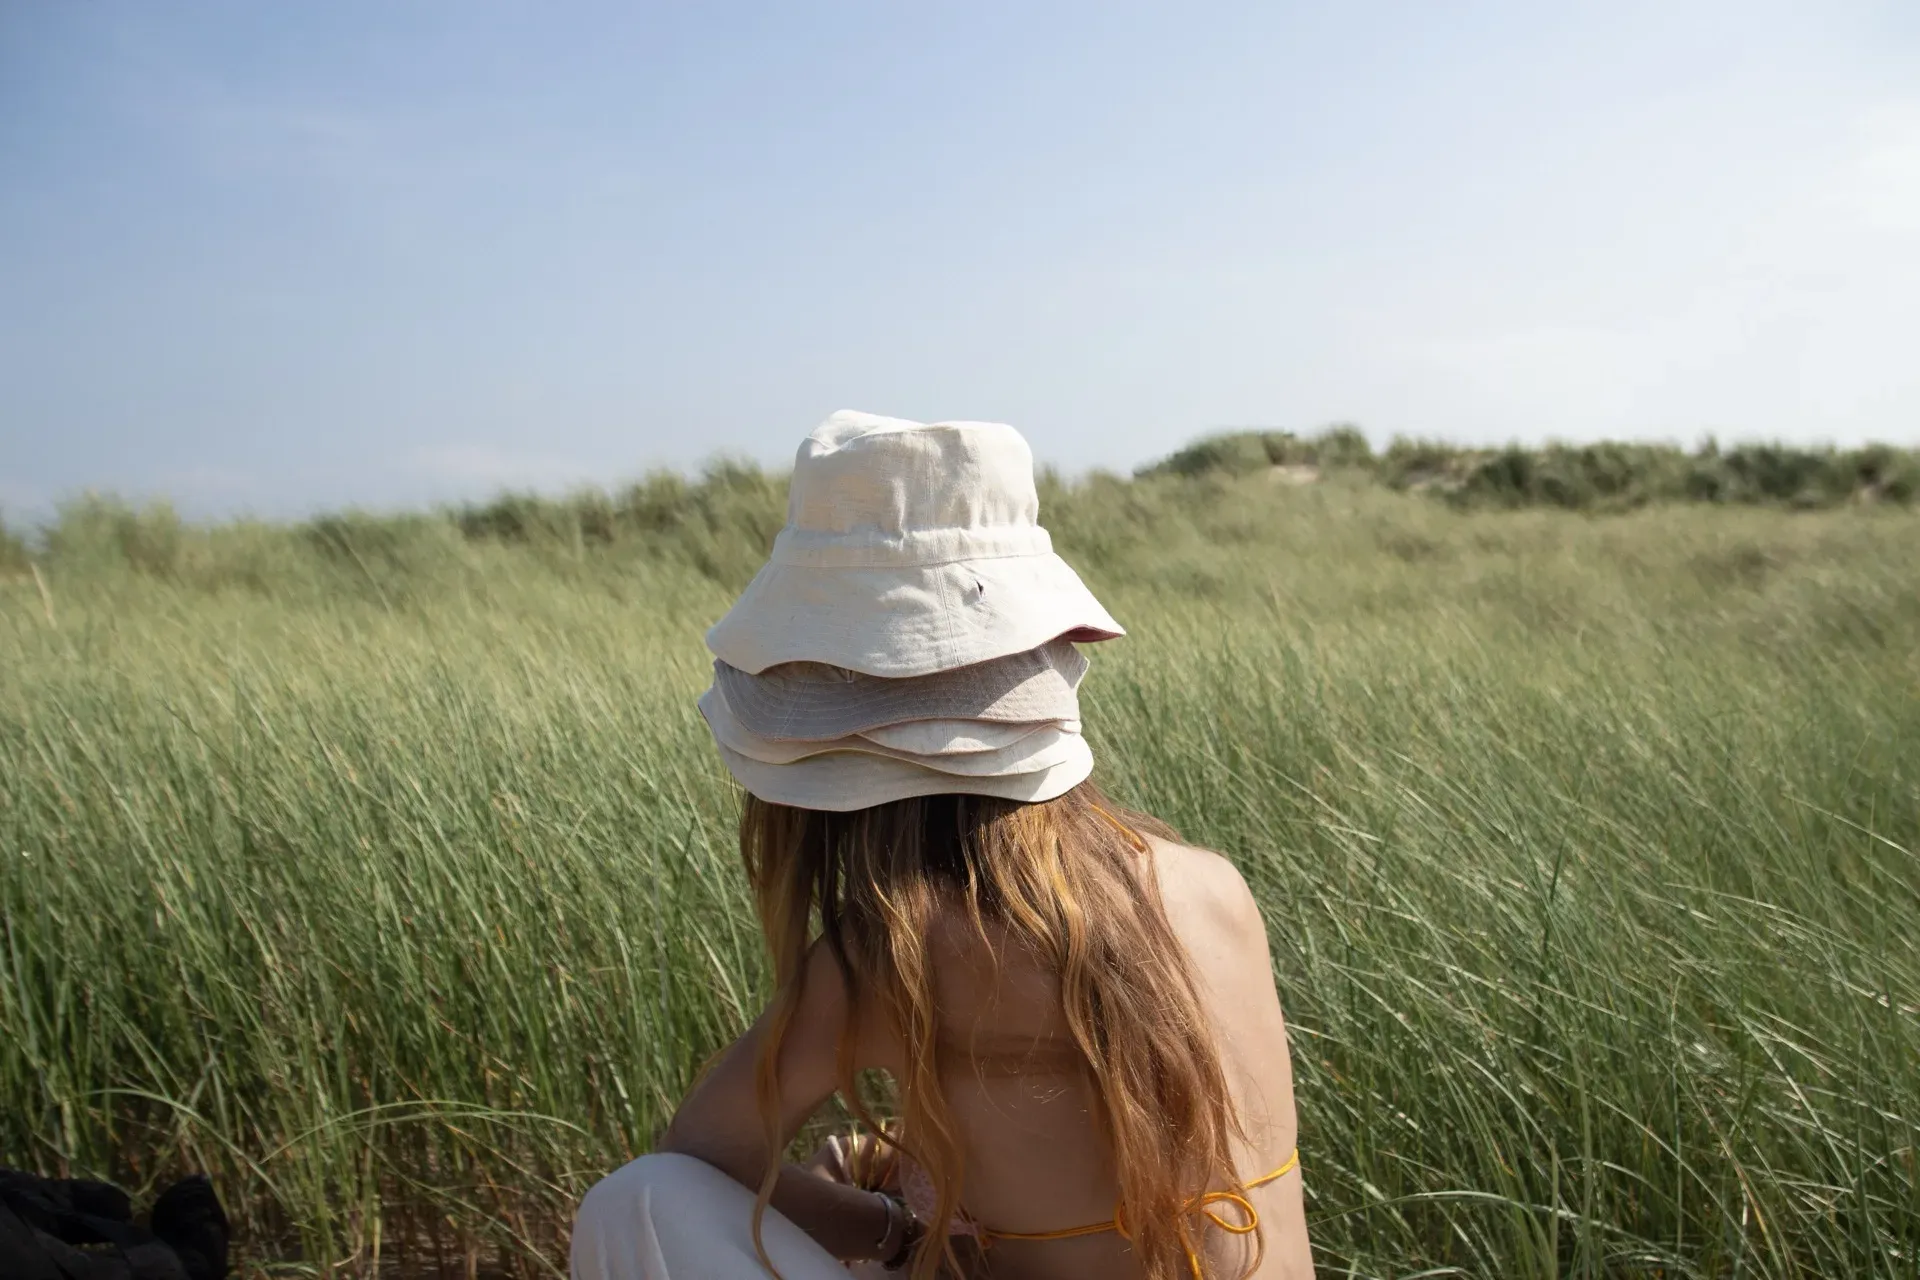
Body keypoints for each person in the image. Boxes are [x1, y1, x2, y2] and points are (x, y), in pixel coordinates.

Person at [571, 412, 1312, 1280]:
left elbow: (705, 1147)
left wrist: (887, 1228)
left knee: (641, 1200)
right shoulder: (1210, 885)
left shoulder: (889, 951)